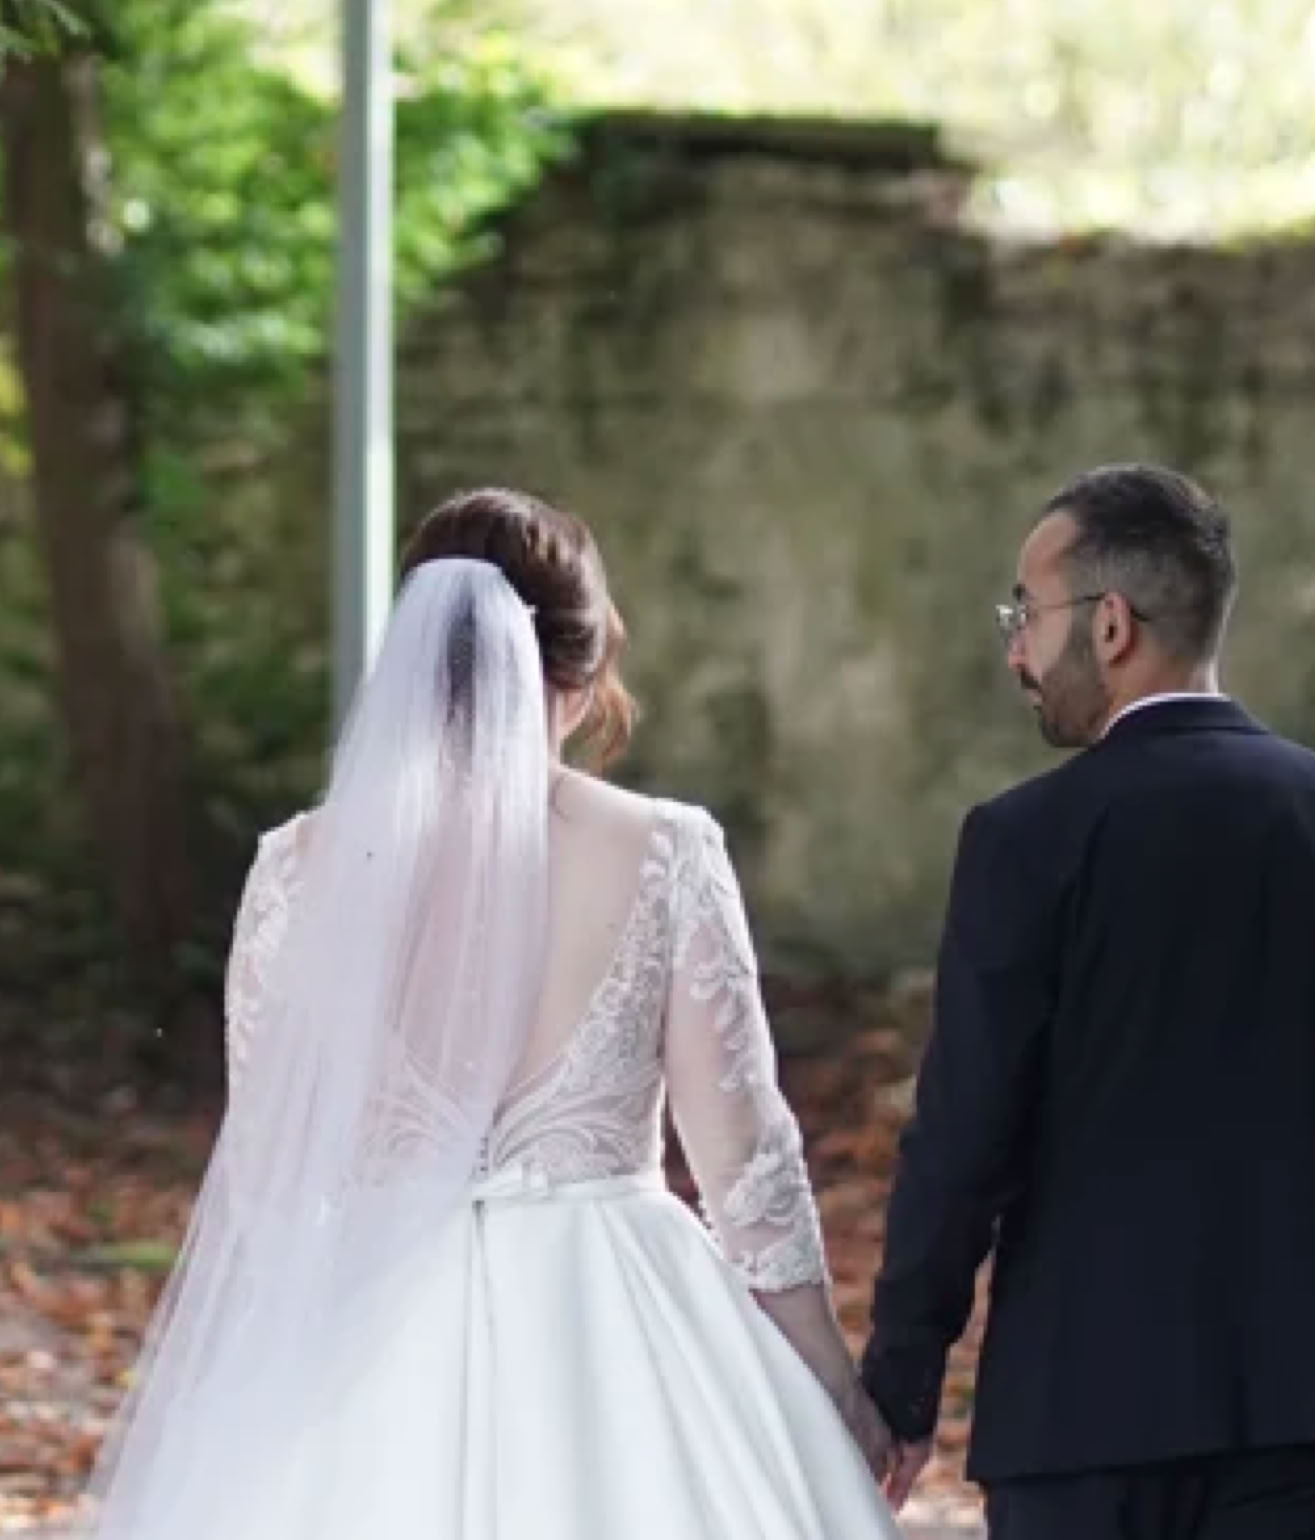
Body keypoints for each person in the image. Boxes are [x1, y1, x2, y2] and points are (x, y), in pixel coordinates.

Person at [85, 487, 901, 1540]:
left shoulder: (297, 869)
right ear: (585, 667)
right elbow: (745, 1158)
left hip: (367, 1335)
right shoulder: (662, 851)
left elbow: (271, 1172)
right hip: (618, 1330)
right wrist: (829, 1380)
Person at [862, 464, 1315, 1540]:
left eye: (1025, 613)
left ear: (1109, 626)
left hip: (1075, 1417)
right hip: (1304, 1420)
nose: (1015, 652)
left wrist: (899, 1391)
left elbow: (964, 1139)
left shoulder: (1027, 843)